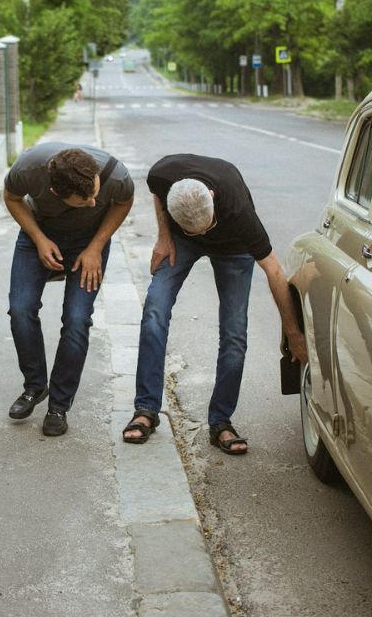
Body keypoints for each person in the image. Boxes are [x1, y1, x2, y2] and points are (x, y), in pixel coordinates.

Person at [123, 154, 308, 455]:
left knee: (234, 334)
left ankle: (220, 421)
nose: (204, 234)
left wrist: (293, 332)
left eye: (206, 227)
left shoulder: (239, 214)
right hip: (181, 240)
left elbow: (274, 270)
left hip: (233, 250)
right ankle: (146, 409)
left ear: (211, 197)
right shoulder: (161, 174)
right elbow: (157, 193)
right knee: (154, 312)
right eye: (198, 231)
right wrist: (164, 236)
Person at [3, 143, 134, 436]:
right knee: (20, 309)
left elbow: (124, 202)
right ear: (55, 193)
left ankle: (58, 406)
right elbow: (12, 197)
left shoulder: (116, 174)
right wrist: (38, 238)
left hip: (89, 242)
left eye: (95, 194)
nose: (91, 203)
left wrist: (96, 247)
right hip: (40, 232)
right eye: (82, 201)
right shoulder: (27, 169)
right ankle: (35, 387)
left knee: (76, 319)